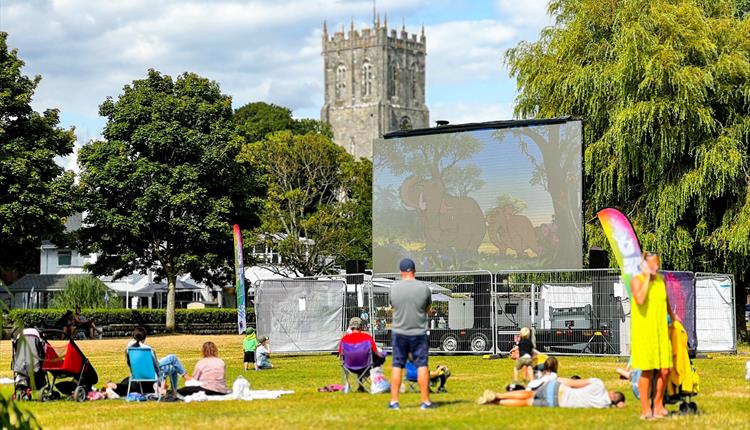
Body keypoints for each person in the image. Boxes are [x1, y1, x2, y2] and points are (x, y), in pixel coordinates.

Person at [630, 252, 678, 419]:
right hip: (644, 332)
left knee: (665, 370)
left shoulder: (661, 280)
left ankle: (658, 405)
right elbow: (640, 299)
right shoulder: (637, 280)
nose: (655, 267)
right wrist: (648, 279)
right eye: (652, 264)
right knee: (648, 371)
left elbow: (666, 302)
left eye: (657, 263)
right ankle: (645, 410)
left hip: (661, 330)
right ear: (644, 264)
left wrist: (673, 318)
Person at [389, 258, 434, 410]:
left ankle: (394, 401)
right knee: (422, 365)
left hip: (399, 332)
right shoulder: (424, 288)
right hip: (419, 332)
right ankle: (425, 401)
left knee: (397, 365)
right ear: (414, 270)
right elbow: (427, 309)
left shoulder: (393, 288)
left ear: (401, 271)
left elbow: (393, 306)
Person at [478, 376, 625, 409]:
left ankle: (498, 395)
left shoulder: (598, 384)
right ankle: (497, 402)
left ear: (612, 392)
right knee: (527, 402)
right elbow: (618, 406)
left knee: (530, 393)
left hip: (559, 389)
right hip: (561, 403)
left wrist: (558, 379)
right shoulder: (604, 405)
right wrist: (619, 405)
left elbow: (574, 383)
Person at [124, 326, 191, 394]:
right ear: (144, 338)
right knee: (173, 359)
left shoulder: (128, 349)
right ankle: (183, 383)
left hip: (137, 375)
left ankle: (177, 388)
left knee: (173, 367)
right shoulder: (148, 349)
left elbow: (129, 364)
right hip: (153, 375)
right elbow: (156, 365)